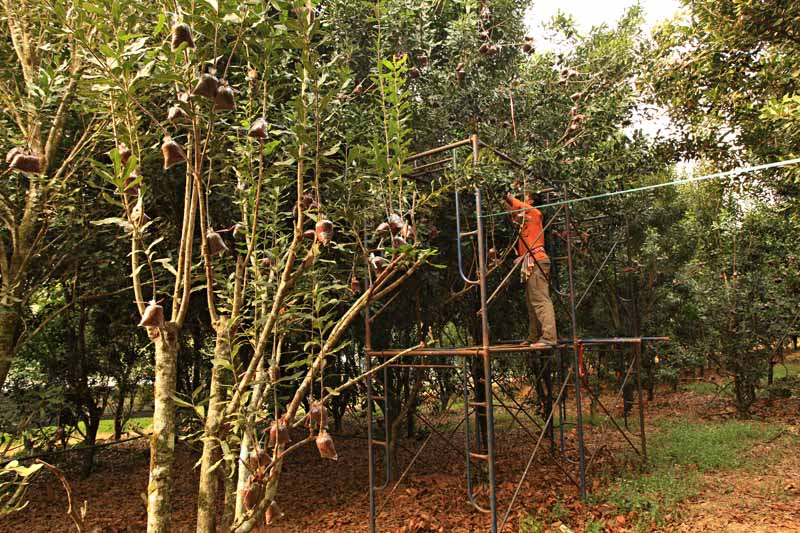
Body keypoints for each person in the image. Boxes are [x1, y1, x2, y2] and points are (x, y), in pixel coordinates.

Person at [504, 191, 557, 346]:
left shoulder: (534, 213)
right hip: (531, 261)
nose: (521, 199)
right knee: (531, 301)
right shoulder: (524, 221)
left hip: (537, 261)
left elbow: (510, 201)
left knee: (540, 300)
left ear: (531, 201)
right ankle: (534, 336)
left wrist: (508, 194)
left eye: (525, 197)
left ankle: (549, 338)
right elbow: (509, 208)